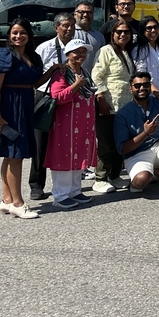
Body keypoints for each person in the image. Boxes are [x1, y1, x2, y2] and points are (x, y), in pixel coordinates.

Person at [0, 19, 60, 219]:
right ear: (9, 35)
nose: (18, 36)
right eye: (14, 33)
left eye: (22, 33)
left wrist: (51, 71)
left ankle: (7, 201)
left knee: (11, 154)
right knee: (16, 155)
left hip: (24, 105)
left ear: (29, 35)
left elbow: (34, 82)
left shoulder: (32, 56)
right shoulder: (3, 55)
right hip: (7, 106)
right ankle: (18, 203)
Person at [114, 72, 159, 196]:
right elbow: (123, 149)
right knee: (140, 182)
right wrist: (146, 133)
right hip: (137, 153)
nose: (142, 88)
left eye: (146, 85)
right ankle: (154, 173)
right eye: (137, 85)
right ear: (131, 88)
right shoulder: (123, 114)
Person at [45, 40, 98, 209]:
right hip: (65, 123)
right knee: (64, 155)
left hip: (82, 122)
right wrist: (76, 85)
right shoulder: (61, 74)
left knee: (79, 154)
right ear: (68, 54)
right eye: (77, 52)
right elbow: (58, 97)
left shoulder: (84, 72)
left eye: (84, 52)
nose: (81, 55)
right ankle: (60, 195)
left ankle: (75, 191)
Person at [29, 12, 76, 201]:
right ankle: (36, 184)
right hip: (47, 97)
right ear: (56, 27)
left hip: (70, 97)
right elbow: (36, 76)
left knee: (66, 141)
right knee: (40, 143)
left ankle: (68, 185)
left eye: (72, 25)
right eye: (65, 25)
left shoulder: (77, 46)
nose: (69, 29)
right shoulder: (44, 48)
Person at [92, 20, 137, 193]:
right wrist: (101, 97)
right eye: (119, 32)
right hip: (109, 104)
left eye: (126, 32)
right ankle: (100, 177)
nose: (123, 35)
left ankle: (114, 175)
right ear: (113, 34)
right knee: (106, 142)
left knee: (120, 141)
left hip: (125, 105)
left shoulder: (127, 52)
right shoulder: (106, 51)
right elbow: (97, 76)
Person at [132, 16, 159, 99]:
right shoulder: (138, 49)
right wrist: (156, 92)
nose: (153, 30)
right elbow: (141, 73)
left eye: (155, 27)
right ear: (143, 30)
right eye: (149, 28)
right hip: (148, 95)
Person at [72, 1, 104, 74]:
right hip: (72, 79)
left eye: (89, 12)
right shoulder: (70, 33)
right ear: (75, 14)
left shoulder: (99, 36)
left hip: (94, 80)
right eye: (82, 12)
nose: (86, 15)